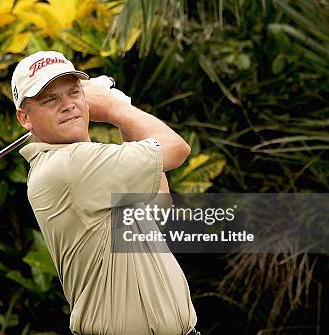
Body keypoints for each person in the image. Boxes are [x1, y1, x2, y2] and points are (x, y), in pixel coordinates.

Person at [12, 50, 199, 335]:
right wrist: (114, 108)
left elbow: (160, 206)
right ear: (25, 117)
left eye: (74, 93)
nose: (67, 105)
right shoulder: (69, 166)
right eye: (50, 99)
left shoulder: (91, 164)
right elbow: (177, 148)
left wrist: (122, 116)